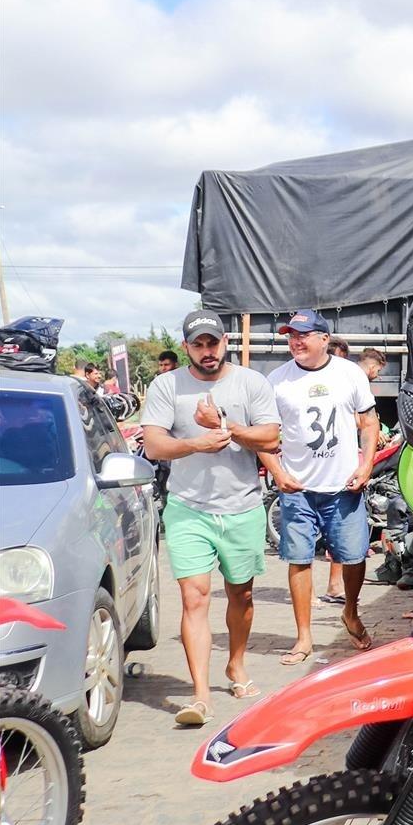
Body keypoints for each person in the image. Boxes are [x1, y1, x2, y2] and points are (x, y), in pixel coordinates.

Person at [138, 310, 281, 725]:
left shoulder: (251, 383)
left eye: (212, 343)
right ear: (186, 347)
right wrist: (197, 443)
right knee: (195, 597)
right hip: (188, 509)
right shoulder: (167, 386)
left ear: (225, 343)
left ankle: (236, 664)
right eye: (198, 344)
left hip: (242, 507)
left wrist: (224, 425)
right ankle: (200, 695)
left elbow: (271, 436)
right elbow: (154, 446)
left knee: (242, 596)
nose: (206, 351)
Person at [264, 309, 378, 664]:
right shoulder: (277, 380)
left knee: (354, 557)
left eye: (303, 335)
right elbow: (262, 435)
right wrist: (277, 472)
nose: (295, 342)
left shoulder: (349, 374)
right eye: (291, 336)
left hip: (343, 486)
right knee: (299, 560)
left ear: (324, 339)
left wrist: (366, 464)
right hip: (297, 488)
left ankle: (350, 612)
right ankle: (303, 637)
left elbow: (369, 423)